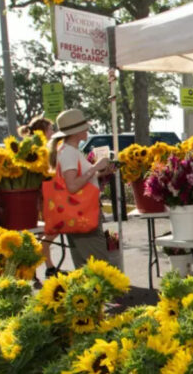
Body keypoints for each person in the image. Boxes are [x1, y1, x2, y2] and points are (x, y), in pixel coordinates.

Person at [48, 109, 120, 269]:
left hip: (77, 214)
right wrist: (95, 168)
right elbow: (72, 185)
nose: (87, 130)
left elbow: (76, 181)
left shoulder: (68, 150)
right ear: (76, 132)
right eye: (84, 128)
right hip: (84, 215)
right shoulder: (69, 153)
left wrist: (99, 173)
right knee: (98, 266)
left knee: (84, 267)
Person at [20, 117, 65, 278]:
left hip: (43, 194)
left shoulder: (43, 148)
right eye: (50, 129)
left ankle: (47, 267)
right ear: (42, 132)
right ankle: (34, 258)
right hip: (45, 195)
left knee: (44, 232)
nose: (52, 132)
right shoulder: (38, 150)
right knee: (55, 227)